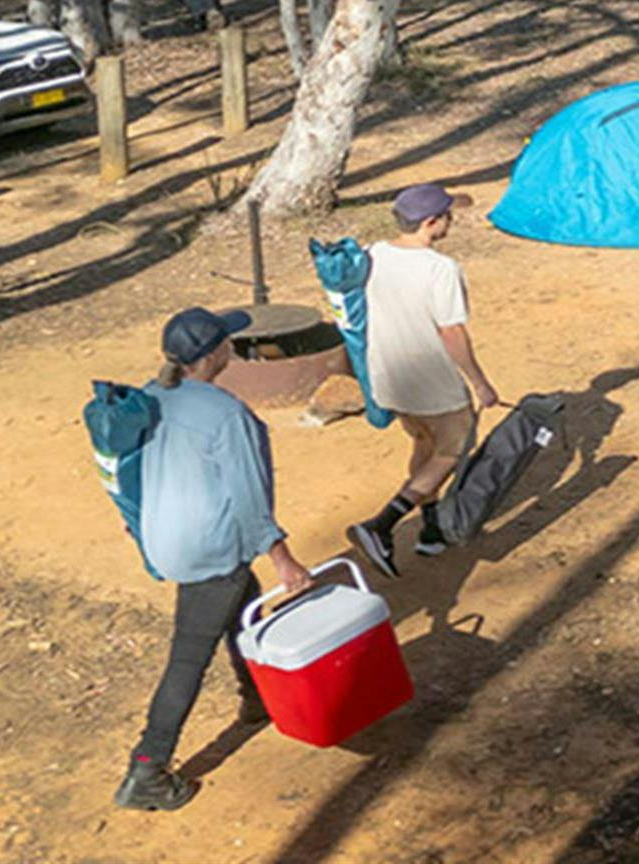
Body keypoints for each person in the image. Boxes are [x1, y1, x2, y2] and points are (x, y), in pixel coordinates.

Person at [118, 306, 313, 812]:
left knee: (243, 605)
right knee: (189, 657)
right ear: (211, 356)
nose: (233, 345)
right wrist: (283, 558)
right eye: (227, 340)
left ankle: (258, 700)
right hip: (207, 547)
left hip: (166, 538)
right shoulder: (226, 414)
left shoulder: (150, 395)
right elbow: (250, 497)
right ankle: (147, 768)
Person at [346, 182, 502, 579]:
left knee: (424, 443)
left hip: (389, 376)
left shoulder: (372, 254)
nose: (451, 221)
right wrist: (480, 383)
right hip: (432, 379)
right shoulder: (440, 269)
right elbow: (451, 332)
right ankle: (381, 525)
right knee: (454, 446)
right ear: (430, 222)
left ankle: (431, 529)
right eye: (447, 216)